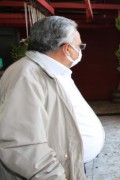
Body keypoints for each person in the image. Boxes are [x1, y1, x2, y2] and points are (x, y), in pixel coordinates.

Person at [0, 16, 105, 179]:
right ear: (66, 49)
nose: (80, 51)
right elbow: (22, 146)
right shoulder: (26, 78)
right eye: (79, 46)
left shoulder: (53, 71)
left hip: (69, 163)